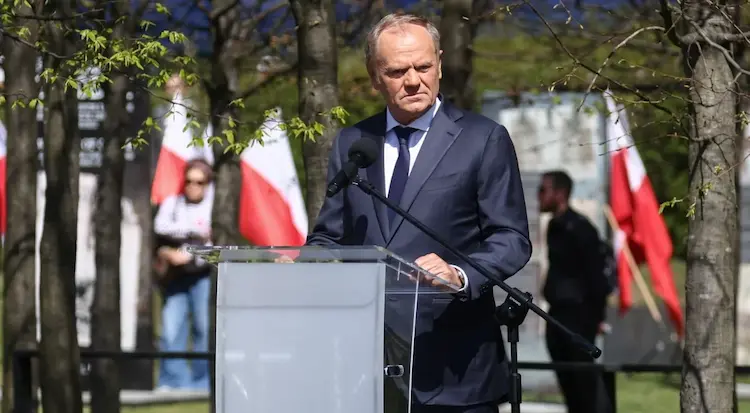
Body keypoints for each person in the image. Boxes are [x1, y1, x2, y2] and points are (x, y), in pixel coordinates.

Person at [305, 13, 532, 413]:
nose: (413, 80)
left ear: (439, 64)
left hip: (455, 370)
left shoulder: (483, 139)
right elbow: (330, 235)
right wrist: (301, 268)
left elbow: (511, 238)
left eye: (423, 67)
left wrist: (460, 274)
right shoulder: (353, 142)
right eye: (397, 71)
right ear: (375, 76)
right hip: (367, 368)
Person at [538, 170, 611, 413]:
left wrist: (597, 317)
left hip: (578, 316)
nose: (539, 196)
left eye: (543, 190)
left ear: (560, 193)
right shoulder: (554, 226)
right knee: (568, 383)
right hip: (557, 314)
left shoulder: (580, 228)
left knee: (584, 385)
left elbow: (596, 276)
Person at [153, 159, 214, 391]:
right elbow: (160, 227)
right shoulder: (173, 203)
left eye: (199, 182)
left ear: (207, 184)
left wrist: (188, 252)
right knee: (171, 329)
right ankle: (172, 381)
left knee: (203, 328)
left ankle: (201, 383)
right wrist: (191, 234)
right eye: (189, 181)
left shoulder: (213, 206)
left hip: (202, 275)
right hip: (175, 277)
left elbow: (213, 240)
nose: (193, 186)